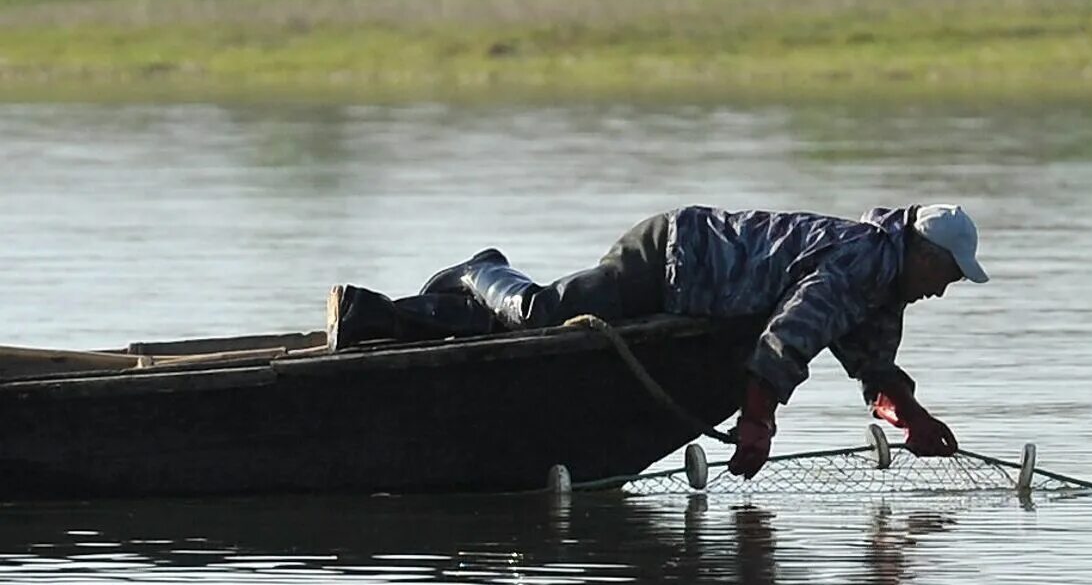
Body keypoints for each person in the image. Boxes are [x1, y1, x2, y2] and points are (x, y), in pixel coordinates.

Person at [325, 204, 988, 479]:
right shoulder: (859, 266)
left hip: (698, 284)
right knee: (541, 316)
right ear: (923, 254)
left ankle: (381, 317)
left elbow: (871, 365)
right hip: (676, 253)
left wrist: (914, 419)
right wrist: (757, 421)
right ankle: (481, 270)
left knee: (527, 332)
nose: (946, 288)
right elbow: (792, 335)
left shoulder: (883, 284)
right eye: (948, 273)